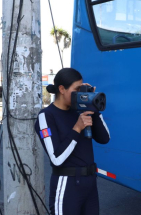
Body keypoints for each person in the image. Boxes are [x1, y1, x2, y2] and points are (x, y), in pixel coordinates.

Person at [35, 68, 110, 215]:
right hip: (67, 184)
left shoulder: (80, 111)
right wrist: (77, 128)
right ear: (62, 89)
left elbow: (104, 138)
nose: (80, 92)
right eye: (77, 89)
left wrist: (92, 106)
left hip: (89, 183)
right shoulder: (47, 116)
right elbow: (56, 159)